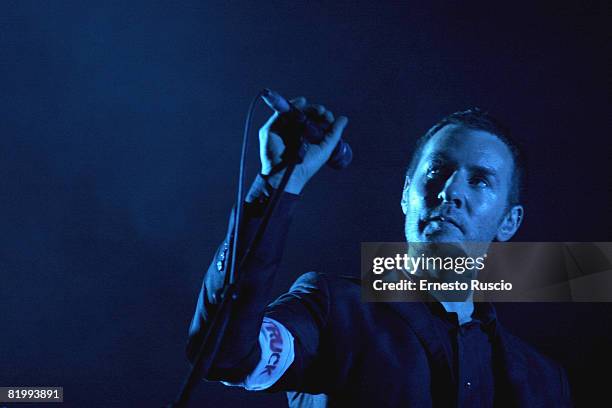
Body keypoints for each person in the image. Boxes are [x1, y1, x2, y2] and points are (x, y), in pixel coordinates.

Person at [186, 97, 572, 407]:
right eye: (437, 171)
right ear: (406, 193)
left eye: (479, 180)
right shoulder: (332, 308)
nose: (451, 191)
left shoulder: (543, 380)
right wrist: (273, 186)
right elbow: (226, 354)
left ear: (510, 221)